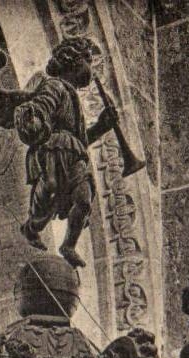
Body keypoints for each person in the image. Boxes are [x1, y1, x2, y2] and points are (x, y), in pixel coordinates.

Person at [15, 37, 116, 266]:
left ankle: (68, 244)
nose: (91, 68)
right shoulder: (55, 86)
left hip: (73, 152)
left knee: (83, 200)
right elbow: (42, 107)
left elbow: (80, 140)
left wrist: (101, 126)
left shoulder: (73, 98)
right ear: (72, 61)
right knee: (50, 187)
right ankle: (32, 226)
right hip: (54, 147)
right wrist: (34, 118)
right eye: (88, 60)